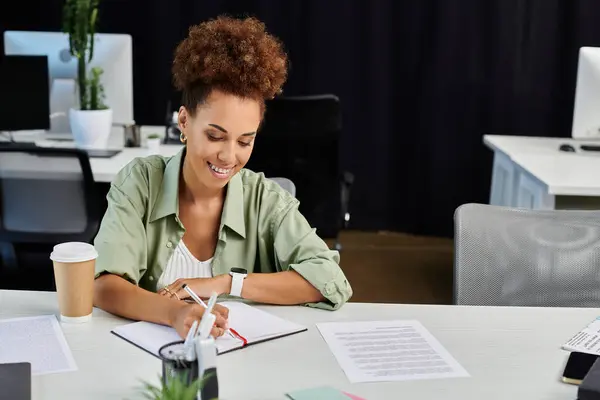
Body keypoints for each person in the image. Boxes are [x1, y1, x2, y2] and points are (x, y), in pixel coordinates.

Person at [92, 15, 353, 339]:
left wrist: (228, 283)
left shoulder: (266, 200)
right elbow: (104, 286)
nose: (229, 156)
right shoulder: (141, 183)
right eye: (215, 136)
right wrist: (175, 313)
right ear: (184, 122)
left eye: (245, 141)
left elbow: (330, 279)